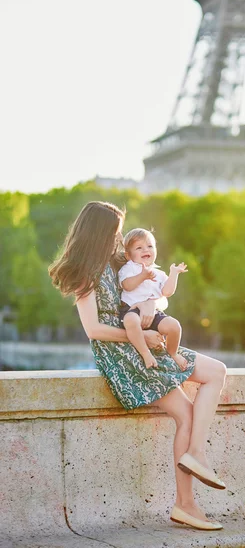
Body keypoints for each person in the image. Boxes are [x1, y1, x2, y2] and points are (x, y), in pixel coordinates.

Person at [49, 200, 227, 531]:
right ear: (100, 232)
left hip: (143, 339)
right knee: (186, 413)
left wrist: (149, 304)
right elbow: (93, 330)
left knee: (216, 372)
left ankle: (197, 455)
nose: (120, 237)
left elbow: (151, 289)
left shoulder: (118, 262)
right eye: (115, 231)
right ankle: (186, 504)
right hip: (123, 354)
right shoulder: (83, 272)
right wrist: (142, 334)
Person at [118, 227, 188, 372]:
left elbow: (167, 292)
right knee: (130, 321)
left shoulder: (159, 273)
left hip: (154, 313)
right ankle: (146, 354)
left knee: (174, 326)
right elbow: (127, 285)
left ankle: (172, 352)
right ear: (128, 255)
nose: (146, 250)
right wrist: (142, 276)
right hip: (132, 310)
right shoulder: (128, 268)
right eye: (139, 247)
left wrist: (173, 274)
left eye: (150, 246)